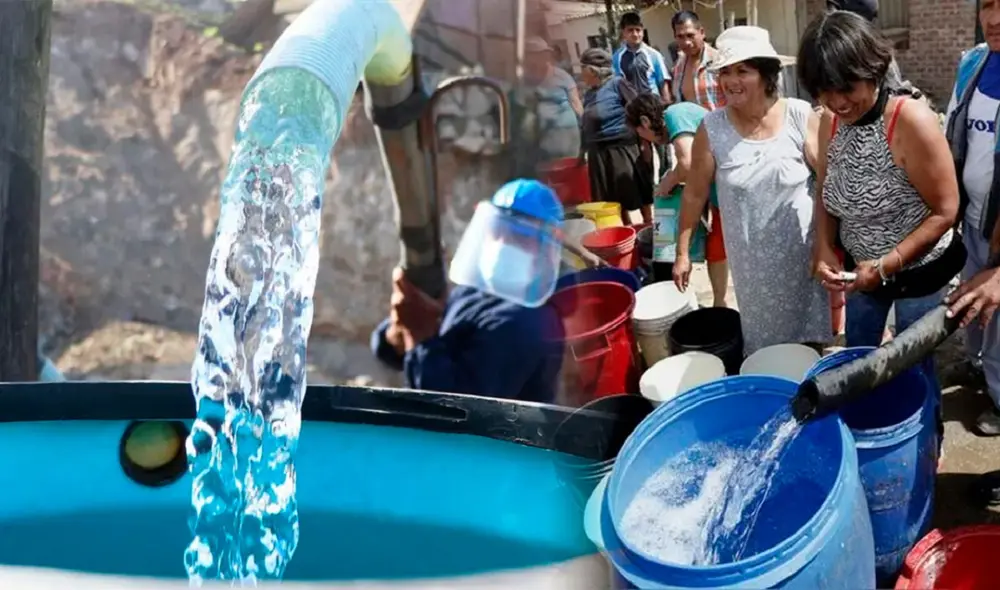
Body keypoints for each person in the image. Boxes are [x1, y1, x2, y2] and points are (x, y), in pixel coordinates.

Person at [800, 13, 962, 362]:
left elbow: (946, 210)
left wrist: (887, 265)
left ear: (871, 71)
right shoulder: (831, 121)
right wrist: (824, 245)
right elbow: (826, 185)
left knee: (911, 364)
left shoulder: (910, 120)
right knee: (857, 356)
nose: (838, 102)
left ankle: (923, 417)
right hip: (860, 271)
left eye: (847, 88)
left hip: (918, 271)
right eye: (826, 91)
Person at [671, 26, 831, 353]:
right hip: (753, 269)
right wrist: (682, 253)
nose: (731, 81)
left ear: (767, 74)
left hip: (802, 257)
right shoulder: (712, 129)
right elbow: (694, 194)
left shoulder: (799, 116)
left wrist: (825, 246)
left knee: (809, 344)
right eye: (725, 72)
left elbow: (827, 183)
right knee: (765, 350)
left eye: (743, 71)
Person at [370, 179, 565, 403]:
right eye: (498, 231)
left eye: (520, 237)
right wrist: (398, 329)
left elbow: (454, 409)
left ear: (546, 249)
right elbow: (390, 353)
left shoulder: (532, 324)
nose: (504, 243)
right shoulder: (470, 294)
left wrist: (418, 335)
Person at [945, 0, 1000, 436]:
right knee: (970, 298)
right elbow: (954, 132)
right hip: (974, 217)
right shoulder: (974, 64)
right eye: (989, 5)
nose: (994, 19)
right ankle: (977, 364)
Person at [626, 94, 728, 307]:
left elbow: (689, 163)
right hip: (721, 192)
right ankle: (720, 303)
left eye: (642, 135)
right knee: (716, 252)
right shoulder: (679, 117)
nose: (648, 141)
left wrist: (669, 181)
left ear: (645, 122)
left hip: (730, 189)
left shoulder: (675, 114)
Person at [579, 48, 651, 226]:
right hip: (598, 151)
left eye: (583, 68)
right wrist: (582, 153)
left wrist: (645, 143)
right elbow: (585, 124)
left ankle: (649, 225)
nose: (581, 73)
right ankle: (627, 230)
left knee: (635, 190)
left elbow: (639, 110)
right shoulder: (589, 94)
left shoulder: (618, 84)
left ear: (593, 70)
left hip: (622, 146)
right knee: (612, 199)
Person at [514, 37, 583, 165]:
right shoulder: (523, 81)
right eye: (531, 55)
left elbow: (576, 103)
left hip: (567, 135)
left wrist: (585, 129)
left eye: (541, 54)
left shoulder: (562, 76)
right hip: (540, 141)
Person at [670, 11, 724, 111]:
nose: (687, 42)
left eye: (690, 35)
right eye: (680, 37)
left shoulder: (720, 61)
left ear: (702, 32)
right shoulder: (678, 66)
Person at [612, 12, 672, 102]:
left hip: (652, 105)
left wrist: (667, 104)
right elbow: (616, 84)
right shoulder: (617, 57)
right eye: (630, 30)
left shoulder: (654, 55)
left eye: (638, 30)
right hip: (630, 107)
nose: (635, 34)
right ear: (623, 32)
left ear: (643, 31)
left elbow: (663, 83)